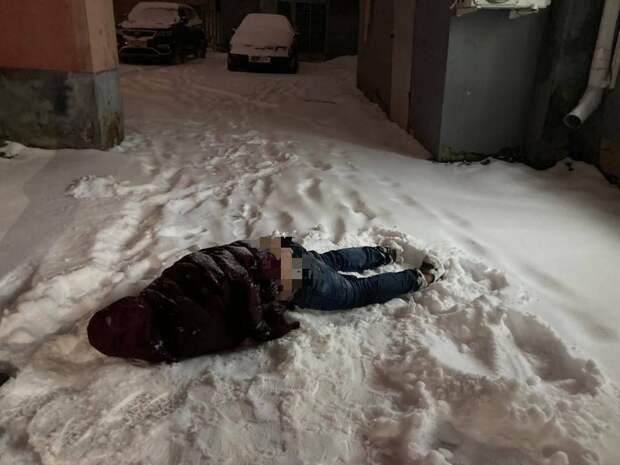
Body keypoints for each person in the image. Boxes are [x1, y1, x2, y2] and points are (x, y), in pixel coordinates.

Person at [87, 236, 444, 364]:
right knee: (325, 261)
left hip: (282, 276)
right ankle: (383, 252)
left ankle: (422, 277)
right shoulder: (161, 287)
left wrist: (268, 325)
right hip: (269, 250)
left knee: (352, 292)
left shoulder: (180, 332)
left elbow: (236, 327)